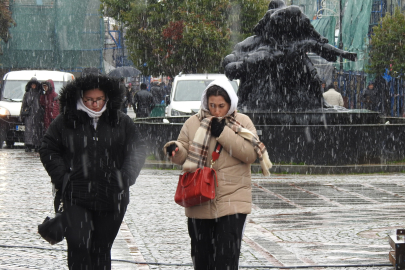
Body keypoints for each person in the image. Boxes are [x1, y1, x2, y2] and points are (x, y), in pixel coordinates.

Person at [39, 74, 147, 270]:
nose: (95, 104)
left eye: (99, 99)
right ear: (81, 97)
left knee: (101, 249)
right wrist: (64, 177)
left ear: (107, 98)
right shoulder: (66, 120)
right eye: (89, 100)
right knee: (78, 245)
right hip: (76, 195)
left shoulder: (120, 121)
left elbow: (138, 148)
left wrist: (125, 177)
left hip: (112, 196)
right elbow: (48, 148)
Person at [163, 78, 272, 270]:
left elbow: (249, 154)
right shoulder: (193, 123)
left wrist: (223, 132)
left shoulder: (243, 122)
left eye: (221, 106)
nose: (216, 111)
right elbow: (184, 152)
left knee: (226, 258)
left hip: (233, 199)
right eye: (212, 105)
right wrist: (176, 149)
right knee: (202, 257)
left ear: (230, 103)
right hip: (199, 198)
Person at [20, 77, 44, 152]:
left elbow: (42, 104)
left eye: (34, 85)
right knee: (29, 130)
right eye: (32, 85)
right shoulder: (27, 94)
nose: (33, 86)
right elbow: (23, 105)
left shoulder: (39, 94)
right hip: (29, 115)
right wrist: (21, 115)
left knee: (37, 130)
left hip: (37, 115)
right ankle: (28, 144)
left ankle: (36, 144)